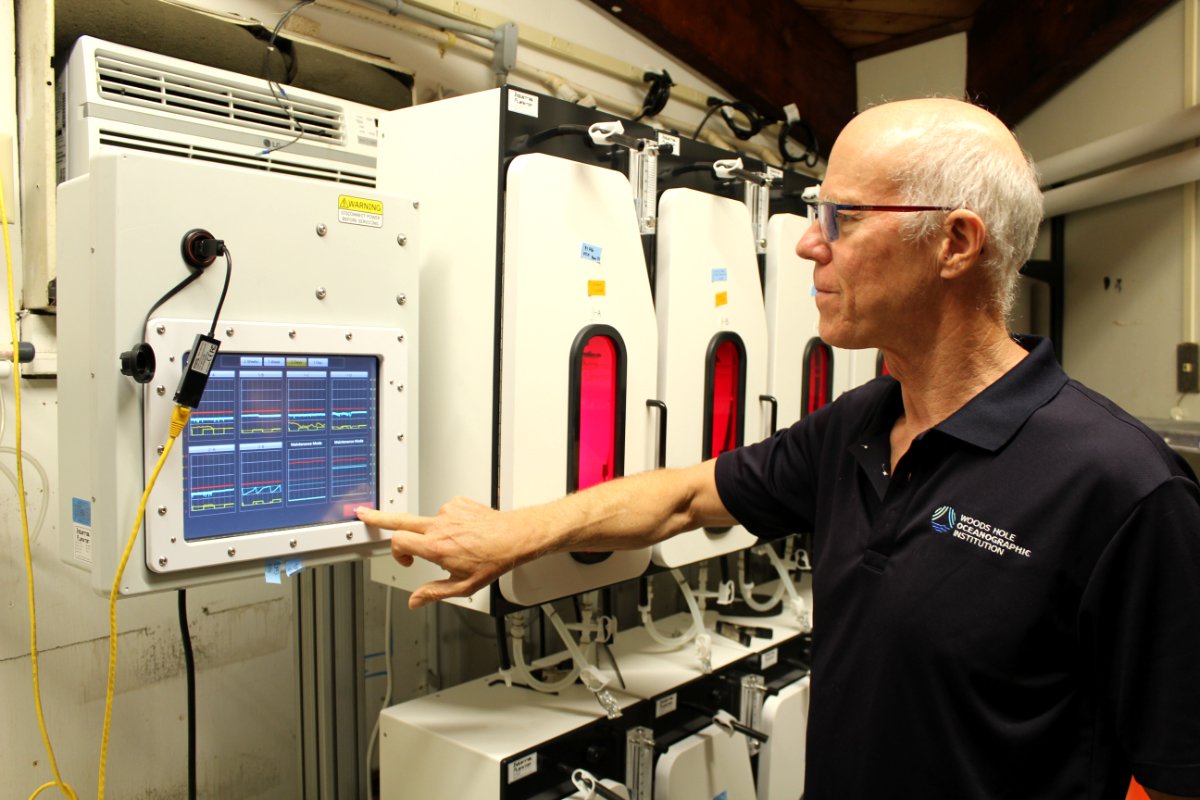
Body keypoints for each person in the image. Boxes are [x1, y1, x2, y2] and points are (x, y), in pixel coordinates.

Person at [357, 98, 1200, 800]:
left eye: (842, 216)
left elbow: (1174, 774)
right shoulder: (860, 426)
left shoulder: (1124, 489)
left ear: (955, 243)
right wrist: (518, 534)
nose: (806, 241)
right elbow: (687, 496)